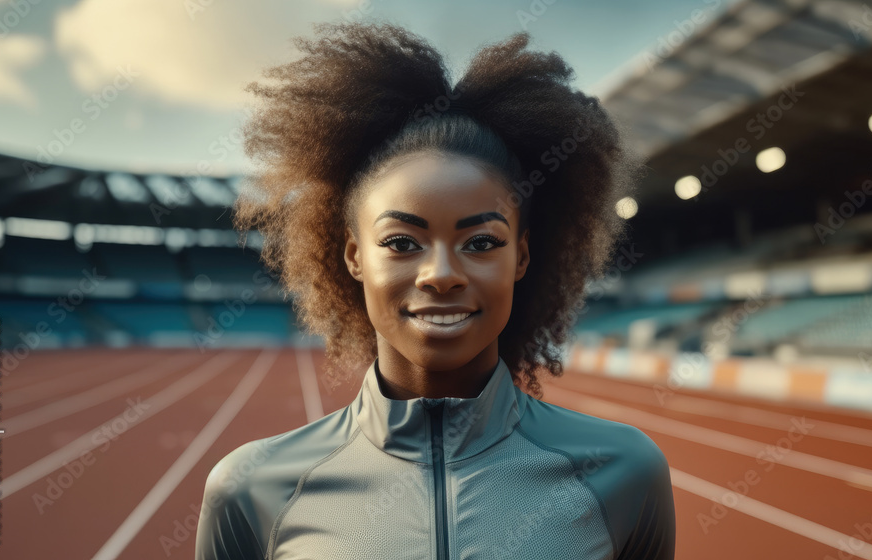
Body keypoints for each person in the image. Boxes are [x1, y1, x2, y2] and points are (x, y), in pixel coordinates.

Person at [194, 20, 675, 560]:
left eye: (481, 242)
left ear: (523, 255)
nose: (440, 273)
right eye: (401, 242)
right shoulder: (251, 492)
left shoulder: (626, 475)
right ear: (354, 257)